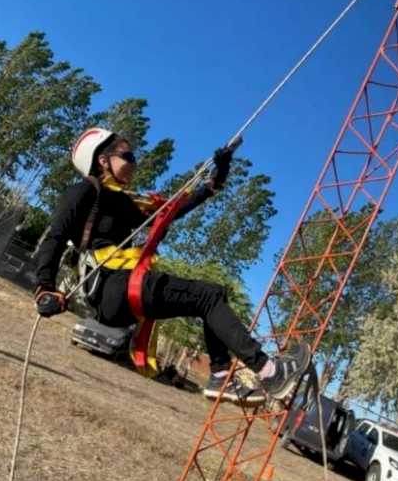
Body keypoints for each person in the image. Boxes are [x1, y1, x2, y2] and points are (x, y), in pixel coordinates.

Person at [33, 127, 310, 404]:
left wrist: (218, 176)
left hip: (124, 289)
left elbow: (172, 212)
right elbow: (55, 237)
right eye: (127, 154)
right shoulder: (83, 192)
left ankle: (221, 375)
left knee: (212, 295)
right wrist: (45, 287)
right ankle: (269, 372)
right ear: (103, 161)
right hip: (111, 285)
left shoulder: (126, 203)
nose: (134, 161)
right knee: (208, 296)